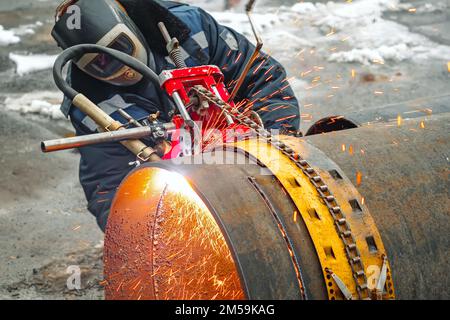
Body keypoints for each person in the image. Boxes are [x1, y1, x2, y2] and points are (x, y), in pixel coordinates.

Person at [52, 0, 301, 231]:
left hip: (247, 145)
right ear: (81, 65)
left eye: (119, 49)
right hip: (182, 187)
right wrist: (152, 235)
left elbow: (266, 81)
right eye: (100, 64)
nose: (122, 69)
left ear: (131, 28)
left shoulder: (192, 31)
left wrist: (272, 151)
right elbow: (107, 186)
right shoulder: (89, 104)